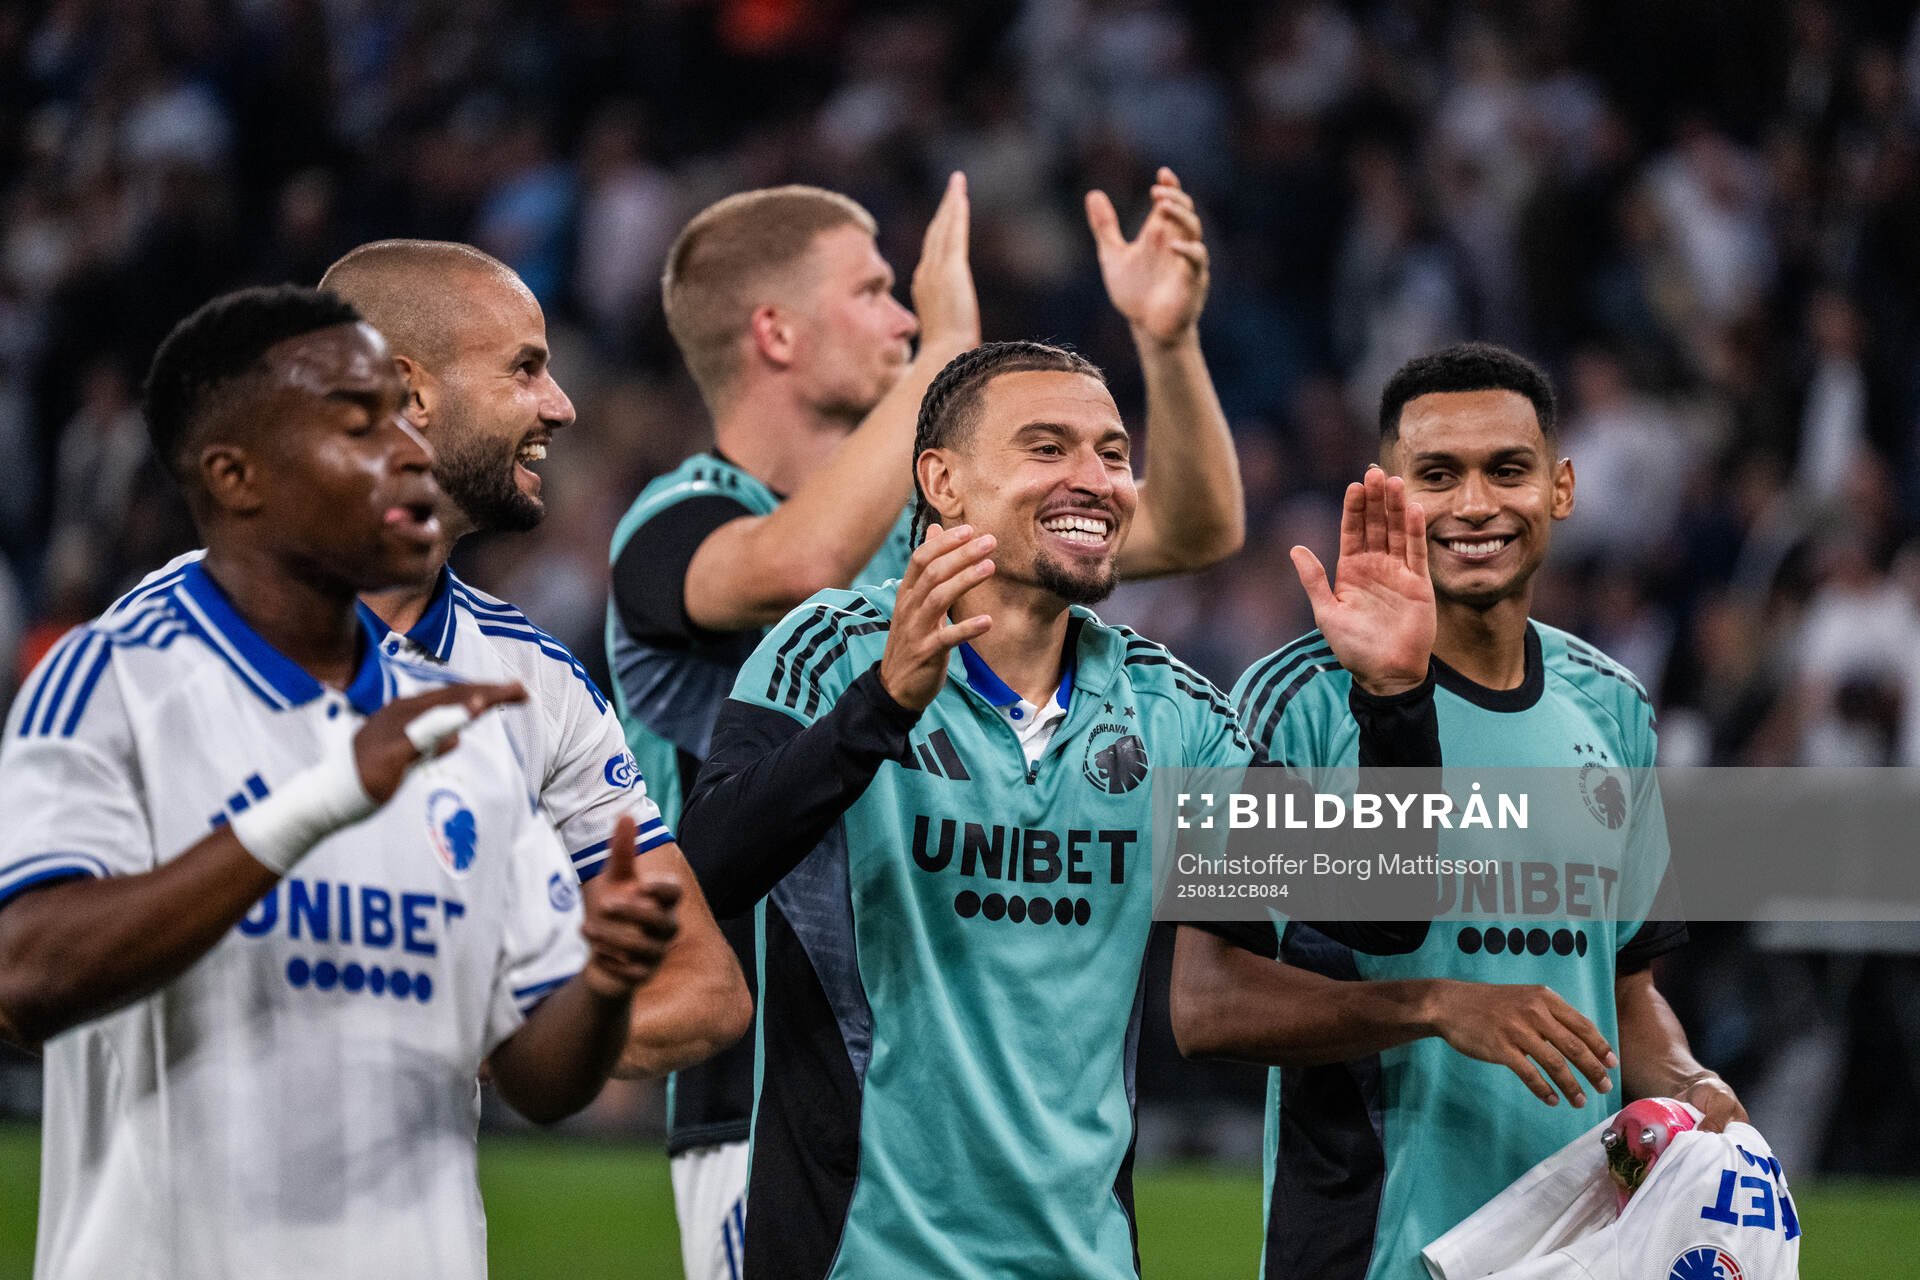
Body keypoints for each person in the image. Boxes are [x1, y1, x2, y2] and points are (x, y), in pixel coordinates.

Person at [676, 339, 1441, 1279]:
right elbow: (704, 868)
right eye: (1048, 449)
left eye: (1114, 455)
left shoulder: (1171, 713)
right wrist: (880, 708)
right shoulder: (831, 649)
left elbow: (1386, 908)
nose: (1098, 481)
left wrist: (1398, 702)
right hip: (859, 1259)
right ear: (942, 481)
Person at [608, 167, 1248, 1276]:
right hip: (772, 1076)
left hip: (1011, 1118)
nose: (905, 318)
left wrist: (1169, 343)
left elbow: (1189, 525)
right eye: (875, 292)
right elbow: (807, 568)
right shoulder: (689, 530)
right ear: (774, 329)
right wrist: (949, 356)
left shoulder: (1102, 642)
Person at [0, 287, 682, 1279]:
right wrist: (320, 801)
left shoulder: (463, 721)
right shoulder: (114, 680)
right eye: (357, 423)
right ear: (238, 476)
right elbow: (24, 978)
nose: (410, 452)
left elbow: (542, 1075)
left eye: (402, 416)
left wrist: (607, 980)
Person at [1170, 342, 1746, 1280]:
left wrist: (1692, 1084)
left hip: (1583, 1254)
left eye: (1507, 470)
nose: (1476, 504)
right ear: (1389, 494)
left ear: (1559, 489)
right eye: (1438, 475)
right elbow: (1205, 1003)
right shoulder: (1298, 703)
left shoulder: (1613, 706)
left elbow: (1627, 990)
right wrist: (1435, 1005)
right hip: (1375, 1254)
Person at [112, 241, 751, 1079]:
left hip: (426, 1211)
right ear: (410, 392)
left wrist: (444, 1038)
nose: (561, 406)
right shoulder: (165, 639)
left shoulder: (536, 683)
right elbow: (31, 962)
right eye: (525, 370)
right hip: (190, 1204)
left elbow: (703, 988)